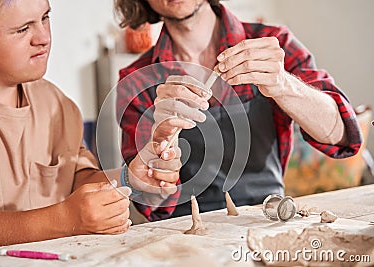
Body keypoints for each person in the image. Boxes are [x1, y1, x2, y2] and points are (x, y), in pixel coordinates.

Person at [114, 0, 363, 220]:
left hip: (269, 217)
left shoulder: (274, 44)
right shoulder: (137, 80)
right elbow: (151, 203)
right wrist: (162, 138)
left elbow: (341, 136)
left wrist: (282, 84)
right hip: (185, 234)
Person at [0, 0, 185, 250]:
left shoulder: (57, 104)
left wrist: (129, 178)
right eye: (23, 29)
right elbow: (65, 217)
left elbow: (77, 178)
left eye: (45, 18)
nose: (43, 38)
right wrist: (62, 221)